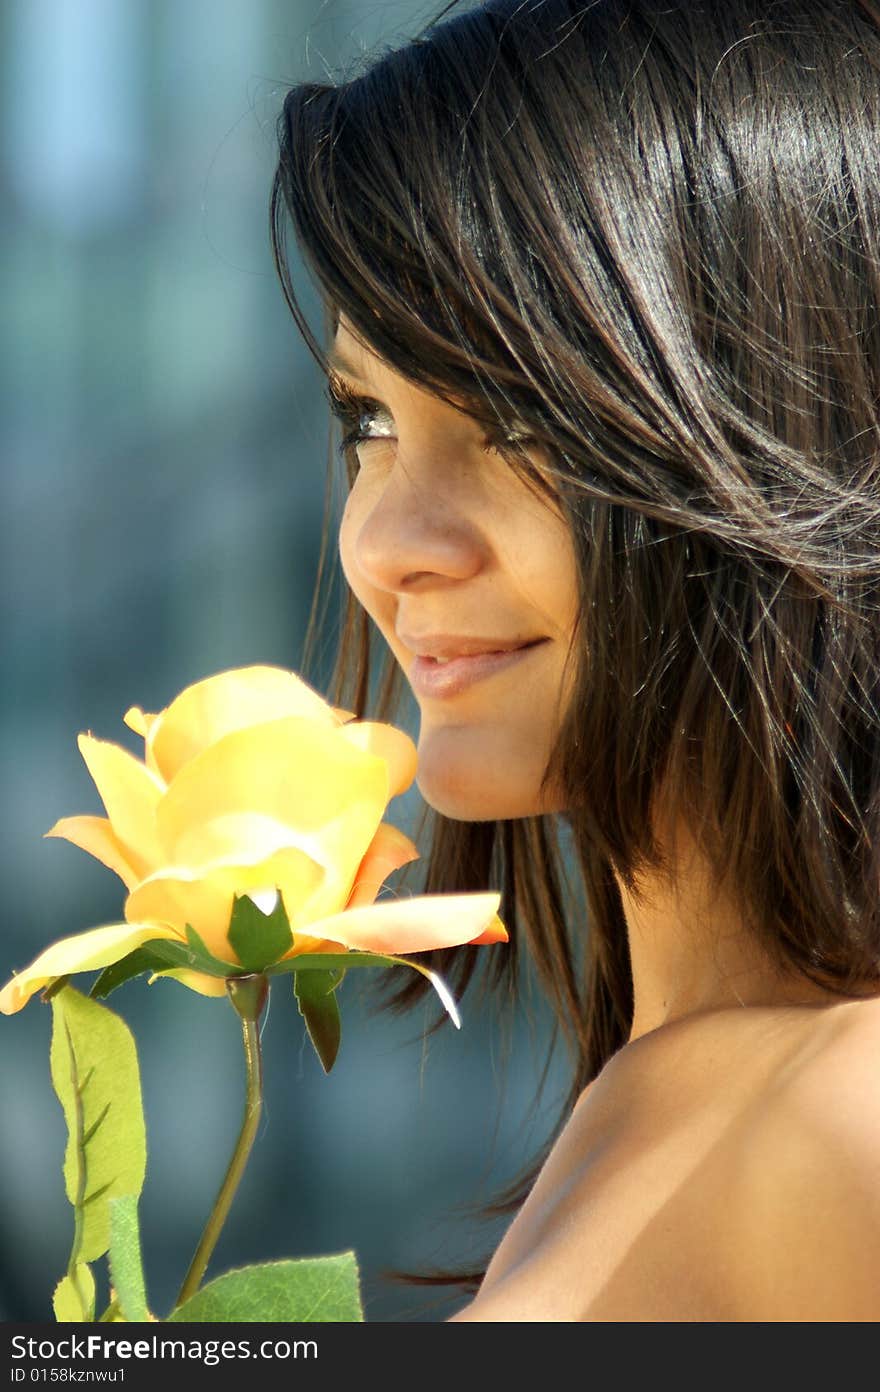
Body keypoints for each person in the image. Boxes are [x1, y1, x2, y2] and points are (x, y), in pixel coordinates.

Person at [270, 0, 880, 1320]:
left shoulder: (848, 1118)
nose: (388, 543)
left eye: (513, 418)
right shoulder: (662, 1091)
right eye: (367, 417)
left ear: (779, 413)